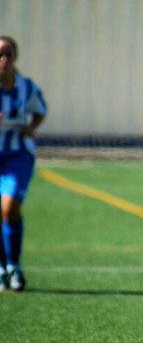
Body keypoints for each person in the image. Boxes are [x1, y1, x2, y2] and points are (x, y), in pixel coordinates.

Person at [0, 36, 47, 292]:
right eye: (0, 55)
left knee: (9, 208)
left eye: (8, 54)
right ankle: (2, 267)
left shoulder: (26, 87)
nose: (4, 60)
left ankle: (15, 266)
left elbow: (40, 109)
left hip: (18, 156)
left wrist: (31, 127)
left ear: (15, 57)